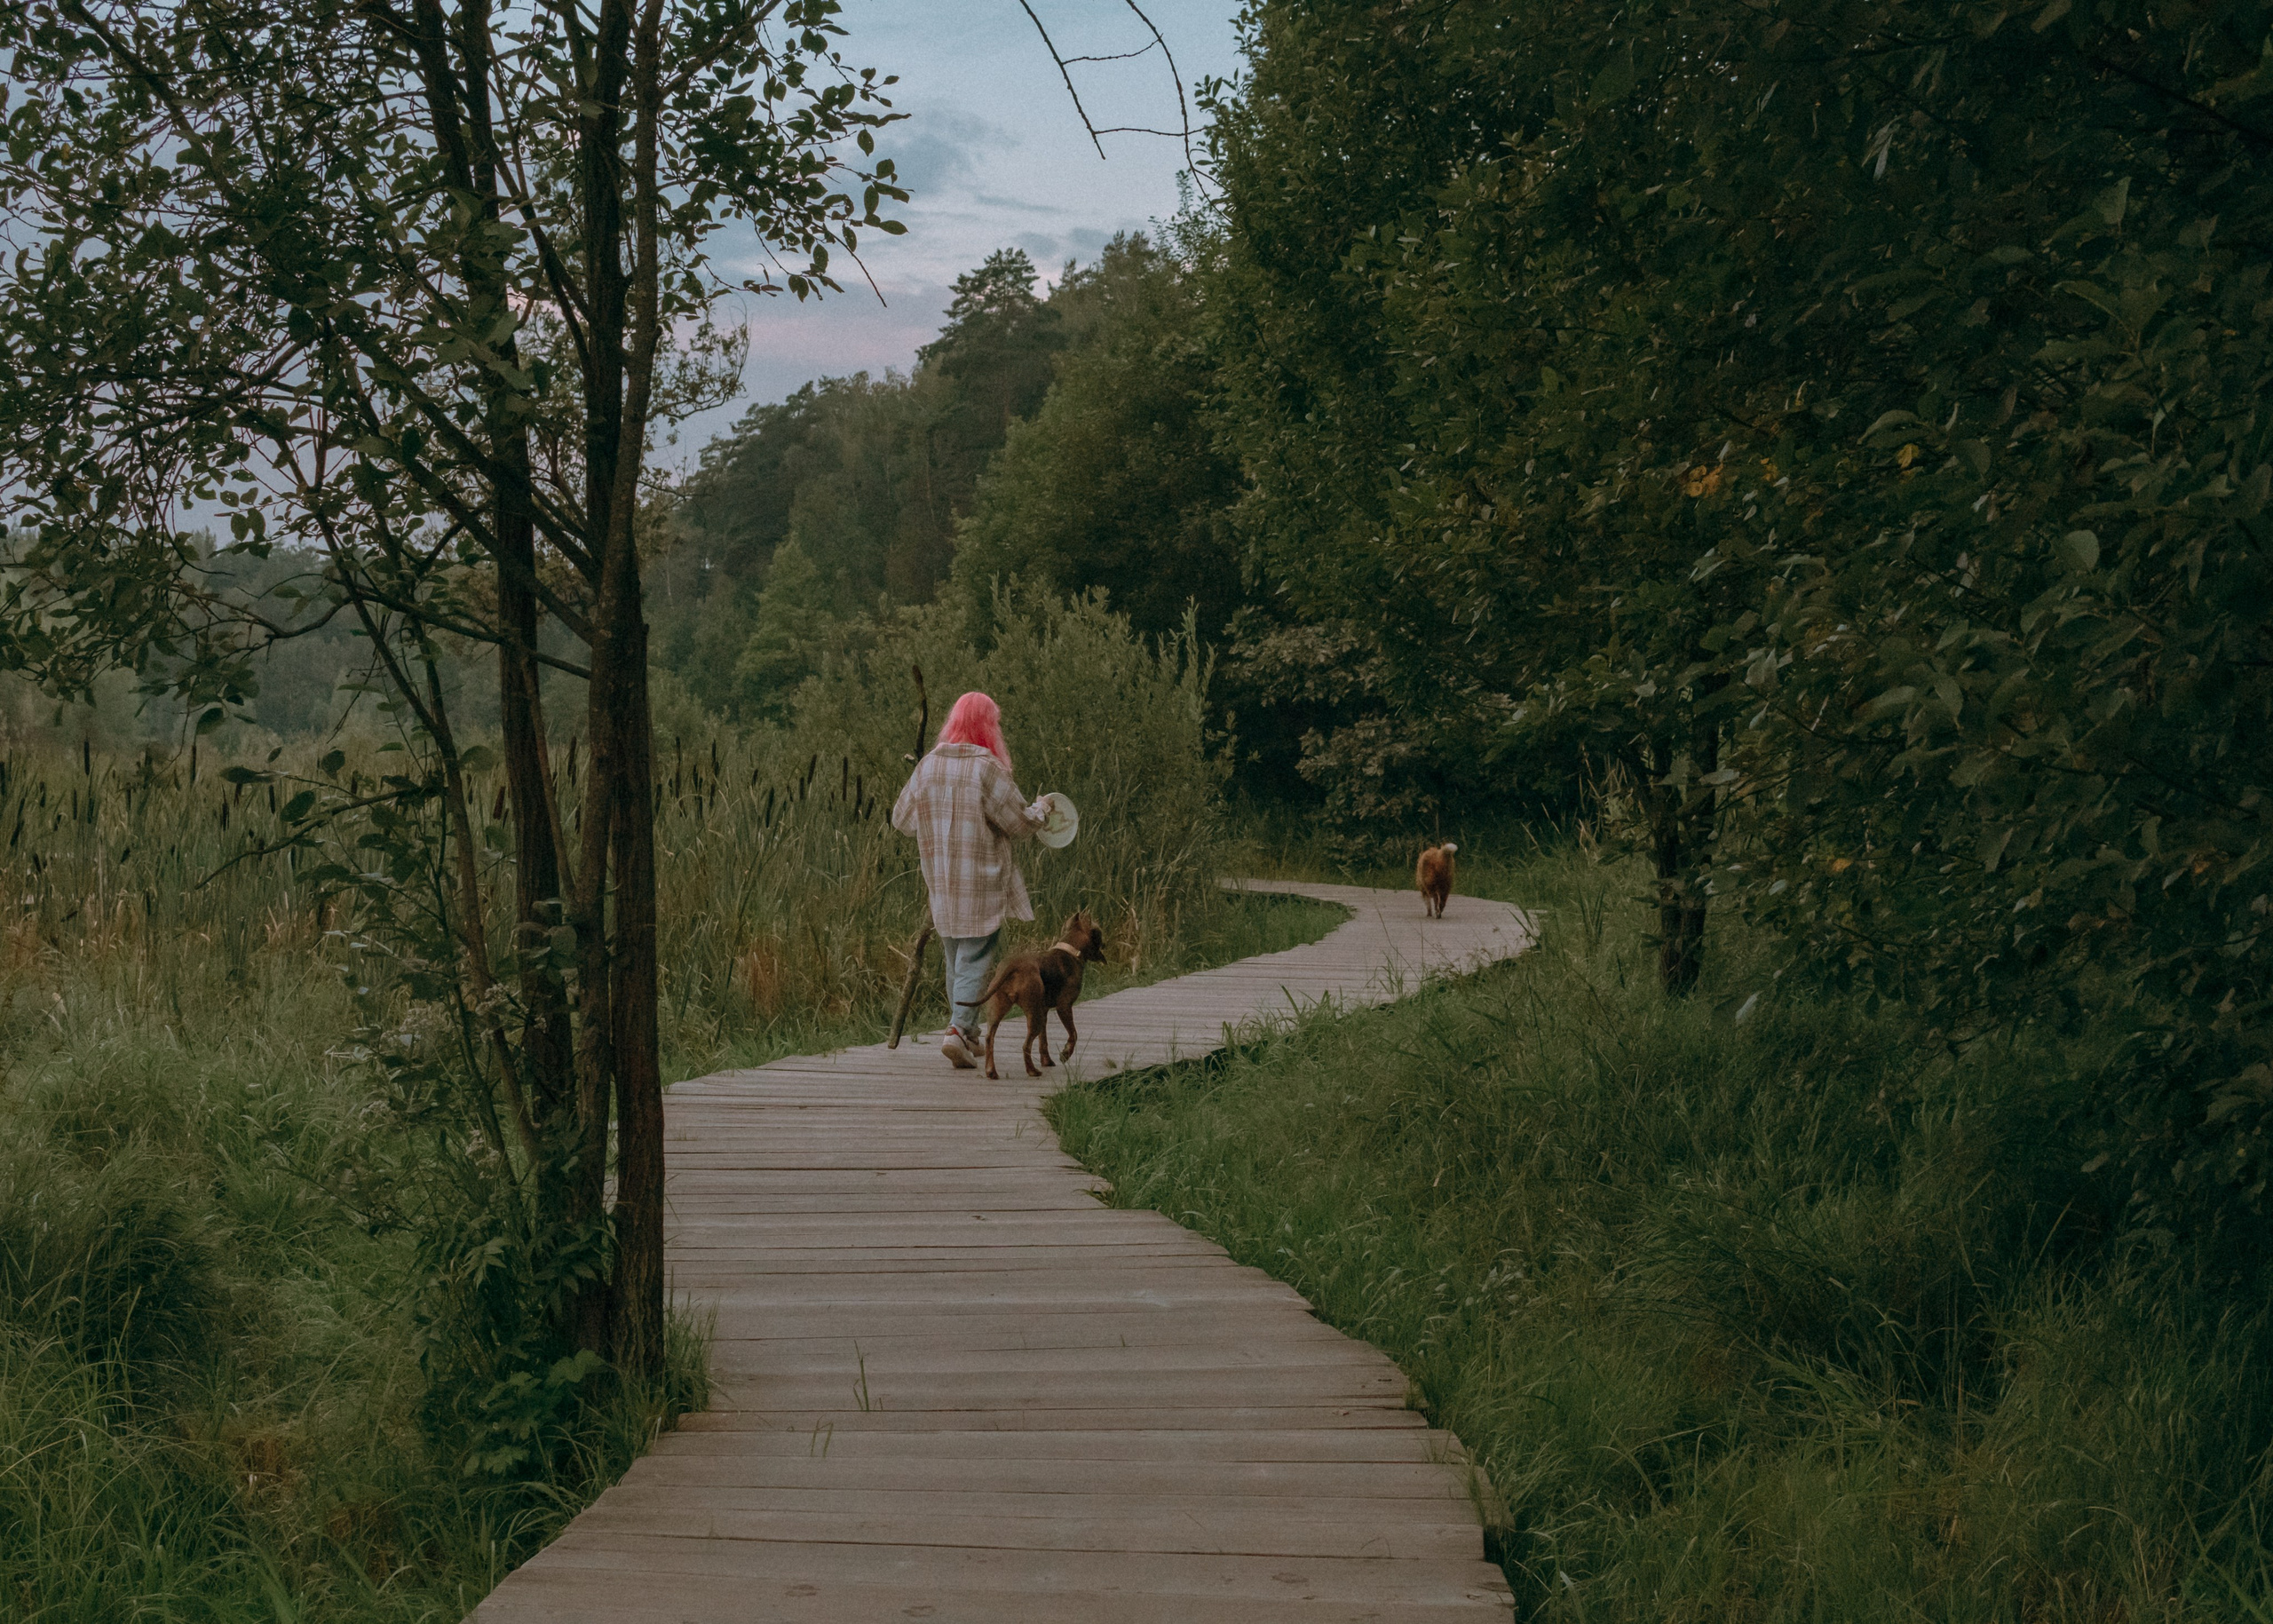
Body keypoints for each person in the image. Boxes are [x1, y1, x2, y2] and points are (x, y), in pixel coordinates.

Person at [891, 691, 1049, 1068]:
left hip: (942, 882)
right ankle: (959, 1030)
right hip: (980, 881)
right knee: (976, 958)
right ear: (988, 726)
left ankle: (968, 1033)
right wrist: (1042, 809)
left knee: (956, 959)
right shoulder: (986, 768)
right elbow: (1019, 822)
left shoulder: (928, 766)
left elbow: (902, 819)